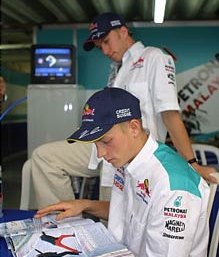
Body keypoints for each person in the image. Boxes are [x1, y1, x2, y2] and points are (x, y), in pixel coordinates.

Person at [28, 12, 216, 209]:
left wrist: (192, 164)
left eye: (107, 41)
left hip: (135, 156)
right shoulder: (116, 69)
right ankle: (64, 226)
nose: (105, 50)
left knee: (115, 228)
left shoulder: (155, 58)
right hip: (103, 146)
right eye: (100, 47)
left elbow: (170, 114)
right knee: (44, 157)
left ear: (124, 31)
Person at [35, 87, 210, 257]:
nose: (100, 154)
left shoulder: (173, 187)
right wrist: (84, 205)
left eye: (106, 141)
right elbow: (132, 213)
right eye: (95, 144)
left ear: (134, 127)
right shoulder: (129, 160)